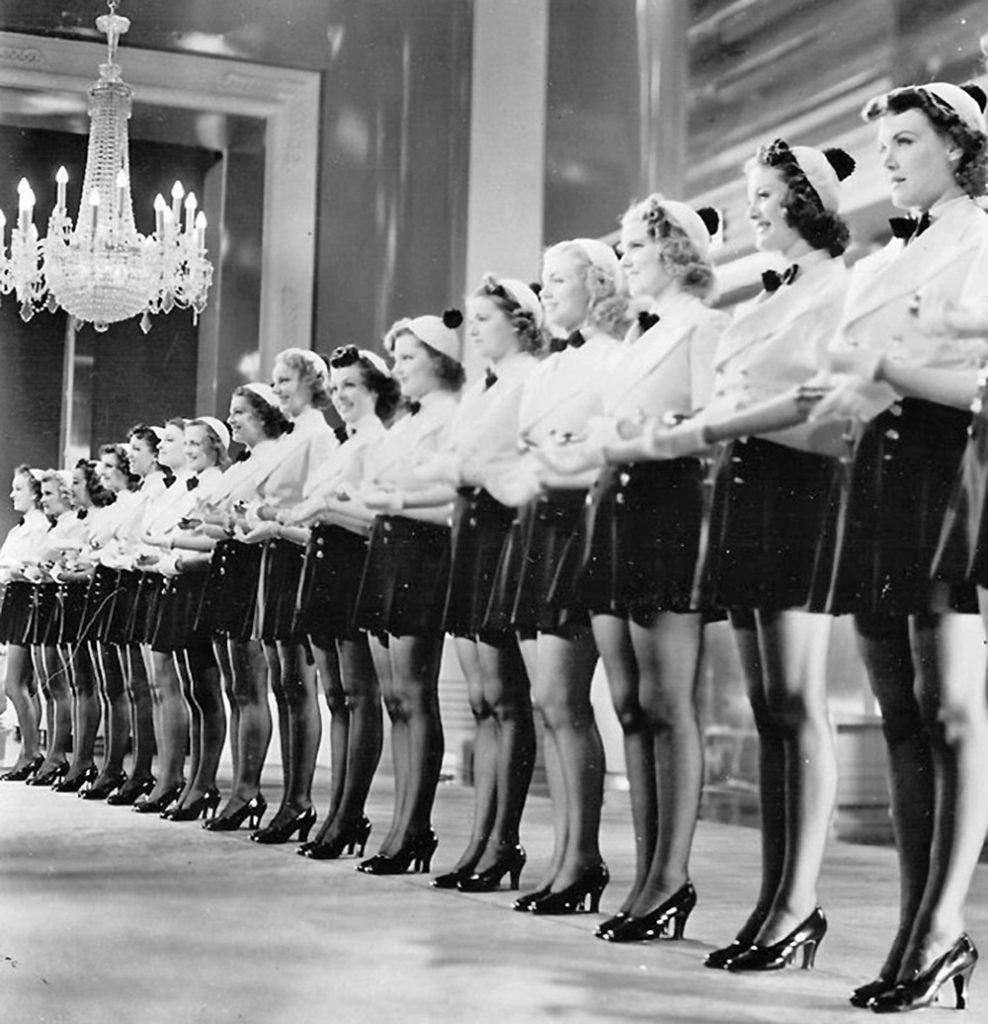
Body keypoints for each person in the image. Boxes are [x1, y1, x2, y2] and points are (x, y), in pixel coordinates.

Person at [810, 81, 988, 1011]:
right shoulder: (883, 258)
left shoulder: (985, 239)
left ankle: (941, 927)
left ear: (960, 149)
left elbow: (980, 391)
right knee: (902, 714)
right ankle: (919, 922)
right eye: (883, 149)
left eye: (906, 144)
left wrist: (883, 368)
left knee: (951, 711)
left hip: (947, 467)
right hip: (880, 467)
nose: (890, 162)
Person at [539, 204, 730, 940]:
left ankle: (670, 876)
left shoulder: (704, 325)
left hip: (667, 506)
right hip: (614, 508)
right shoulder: (642, 336)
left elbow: (711, 427)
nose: (628, 259)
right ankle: (649, 871)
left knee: (667, 702)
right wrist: (592, 438)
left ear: (677, 251)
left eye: (638, 246)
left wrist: (626, 436)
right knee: (628, 707)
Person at [382, 277, 542, 890]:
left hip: (503, 527)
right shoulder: (483, 385)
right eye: (470, 321)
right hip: (471, 534)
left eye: (485, 319)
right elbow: (454, 460)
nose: (474, 330)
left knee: (505, 697)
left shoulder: (530, 376)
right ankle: (479, 840)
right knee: (480, 702)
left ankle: (503, 839)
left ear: (520, 322)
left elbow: (491, 459)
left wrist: (458, 465)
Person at [484, 241, 623, 916]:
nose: (552, 288)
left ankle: (583, 856)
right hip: (537, 522)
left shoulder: (615, 354)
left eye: (563, 278)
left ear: (598, 283)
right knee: (546, 700)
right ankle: (567, 852)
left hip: (582, 521)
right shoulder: (548, 368)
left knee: (565, 698)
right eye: (548, 279)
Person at [344, 310, 464, 875]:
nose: (399, 369)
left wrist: (389, 496)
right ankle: (399, 822)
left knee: (415, 697)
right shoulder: (409, 421)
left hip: (423, 553)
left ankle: (414, 825)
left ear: (441, 360)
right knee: (395, 700)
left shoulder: (451, 416)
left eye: (409, 358)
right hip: (389, 552)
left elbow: (447, 498)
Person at [280, 347, 398, 859]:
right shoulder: (346, 445)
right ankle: (335, 813)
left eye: (354, 386)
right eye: (339, 386)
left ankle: (351, 812)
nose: (342, 395)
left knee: (358, 693)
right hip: (325, 566)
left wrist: (323, 508)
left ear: (376, 391)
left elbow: (376, 522)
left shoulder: (377, 442)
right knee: (335, 696)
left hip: (355, 567)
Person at [240, 348, 336, 844]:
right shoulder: (295, 436)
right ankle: (289, 799)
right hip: (275, 559)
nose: (277, 389)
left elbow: (320, 518)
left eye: (285, 381)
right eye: (274, 381)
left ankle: (300, 801)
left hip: (298, 559)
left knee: (299, 685)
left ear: (311, 382)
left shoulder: (318, 435)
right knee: (282, 686)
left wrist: (275, 524)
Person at [192, 384, 292, 832]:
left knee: (251, 685)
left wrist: (229, 517)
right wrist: (228, 517)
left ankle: (248, 790)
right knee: (235, 688)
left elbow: (237, 516)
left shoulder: (277, 455)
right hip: (229, 566)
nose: (232, 420)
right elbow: (212, 518)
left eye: (240, 414)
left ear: (264, 415)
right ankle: (239, 789)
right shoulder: (247, 463)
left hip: (254, 566)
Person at [24, 470, 82, 787]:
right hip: (45, 598)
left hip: (60, 600)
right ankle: (51, 754)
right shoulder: (56, 526)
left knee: (59, 686)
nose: (44, 500)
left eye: (48, 493)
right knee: (48, 686)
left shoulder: (73, 524)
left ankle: (58, 754)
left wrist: (47, 568)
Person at [0, 466, 53, 781]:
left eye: (18, 489)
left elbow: (31, 566)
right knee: (25, 684)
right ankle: (29, 752)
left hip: (29, 600)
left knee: (15, 683)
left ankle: (32, 752)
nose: (11, 494)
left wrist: (13, 568)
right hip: (16, 599)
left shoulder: (41, 526)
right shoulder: (19, 529)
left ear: (34, 493)